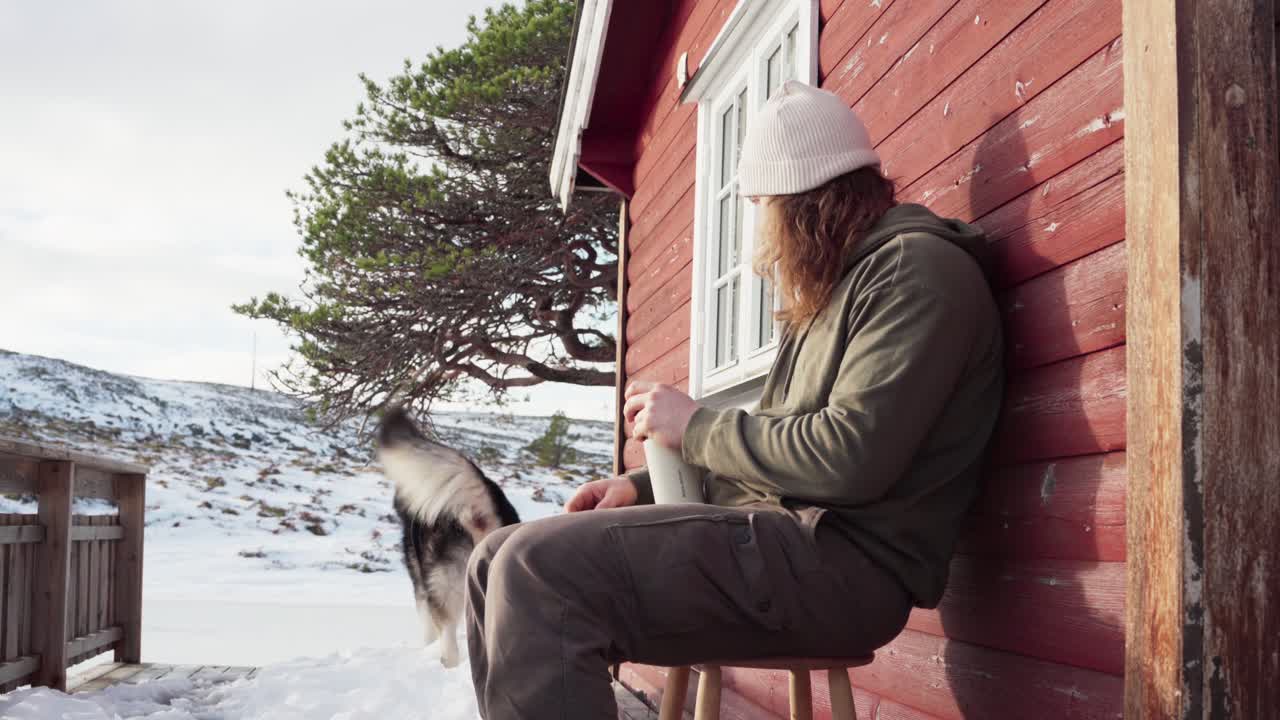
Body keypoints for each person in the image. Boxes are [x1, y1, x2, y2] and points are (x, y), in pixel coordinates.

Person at [465, 81, 1004, 719]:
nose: (762, 235)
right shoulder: (835, 293)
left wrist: (695, 427)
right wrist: (638, 486)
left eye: (763, 206)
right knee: (492, 558)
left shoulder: (917, 274)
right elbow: (777, 451)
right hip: (788, 544)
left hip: (844, 569)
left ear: (805, 203)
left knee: (537, 569)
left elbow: (848, 460)